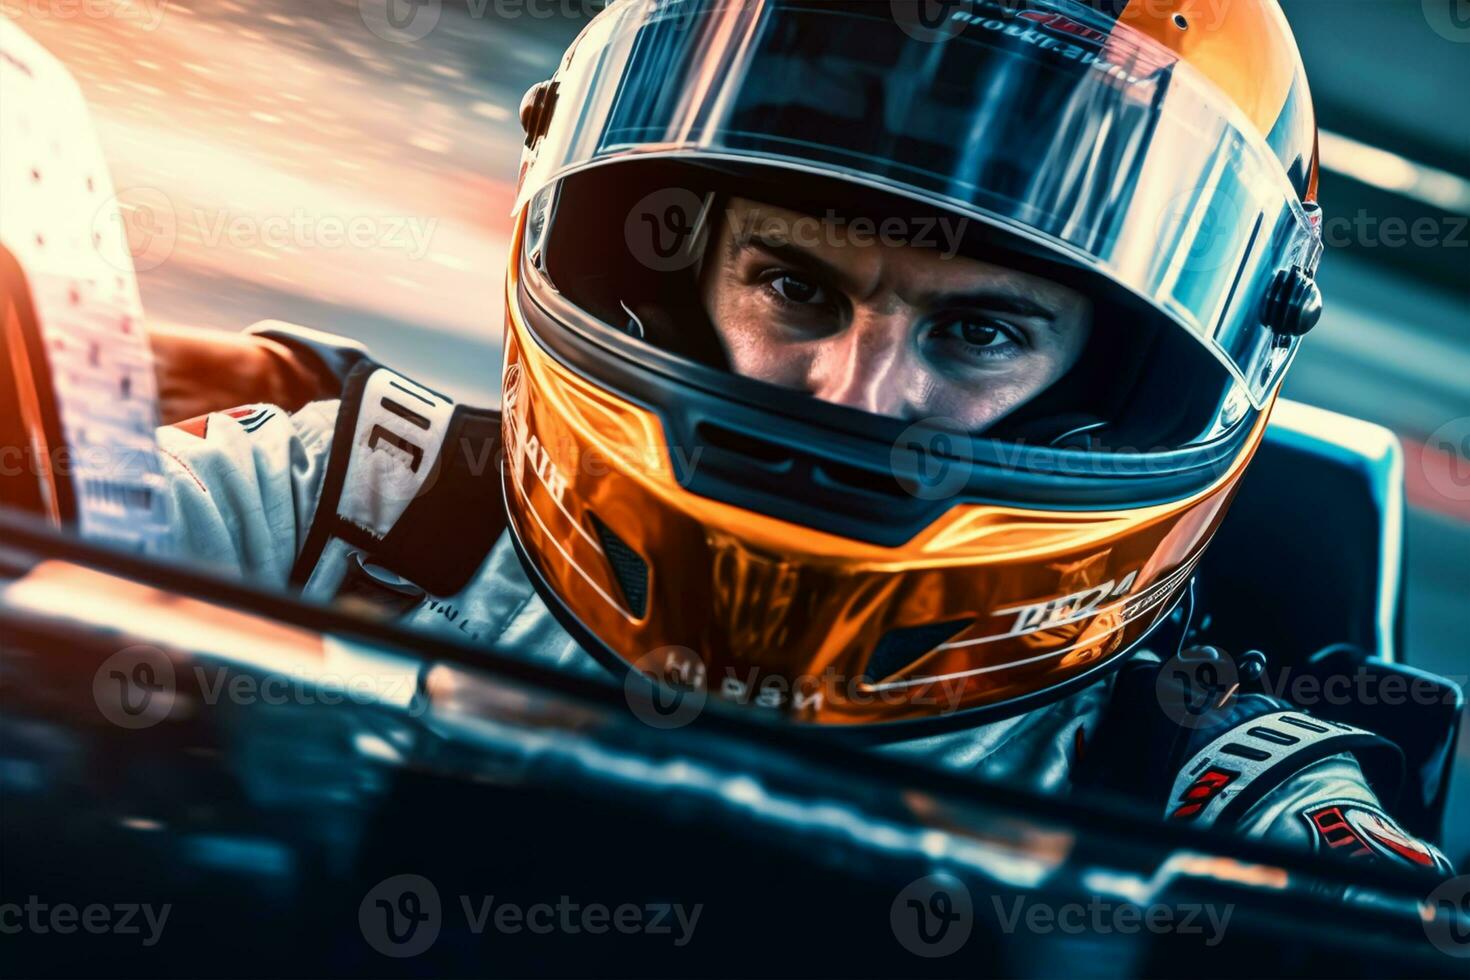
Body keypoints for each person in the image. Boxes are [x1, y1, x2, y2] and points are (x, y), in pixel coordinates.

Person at [153, 0, 1453, 871]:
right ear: (663, 271)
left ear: (1113, 382)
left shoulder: (1220, 799)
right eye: (795, 289)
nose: (855, 397)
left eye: (978, 335)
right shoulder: (353, 509)